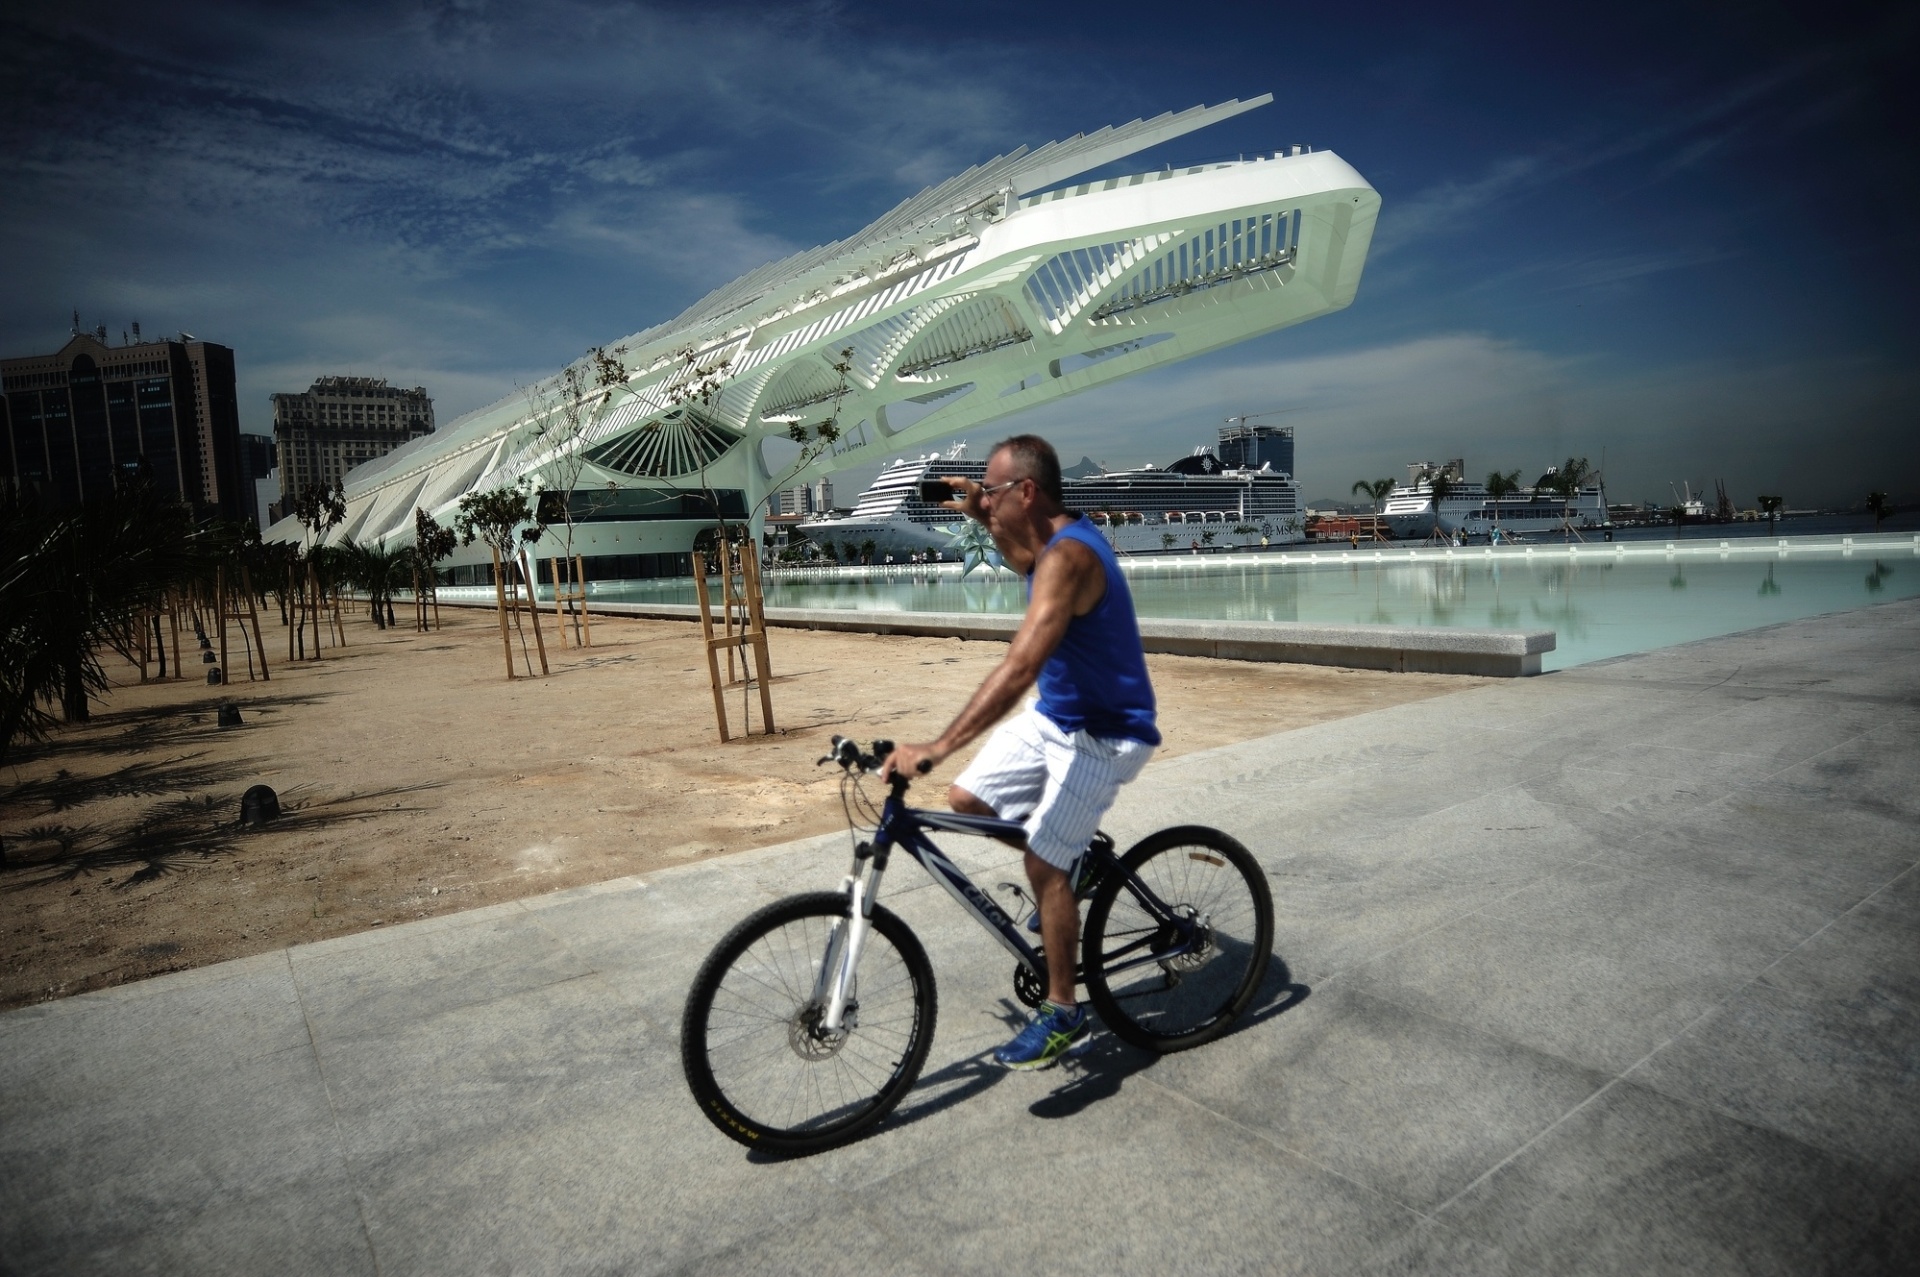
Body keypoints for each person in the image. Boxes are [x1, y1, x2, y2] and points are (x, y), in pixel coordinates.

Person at [885, 435, 1160, 1070]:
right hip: (1058, 717)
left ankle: (1065, 1011)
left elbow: (1019, 667)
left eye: (996, 487)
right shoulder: (1044, 543)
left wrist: (937, 745)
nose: (986, 496)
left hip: (1106, 732)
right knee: (967, 800)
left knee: (1042, 865)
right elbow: (1018, 559)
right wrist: (984, 510)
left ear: (1028, 492)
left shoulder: (1070, 559)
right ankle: (1080, 866)